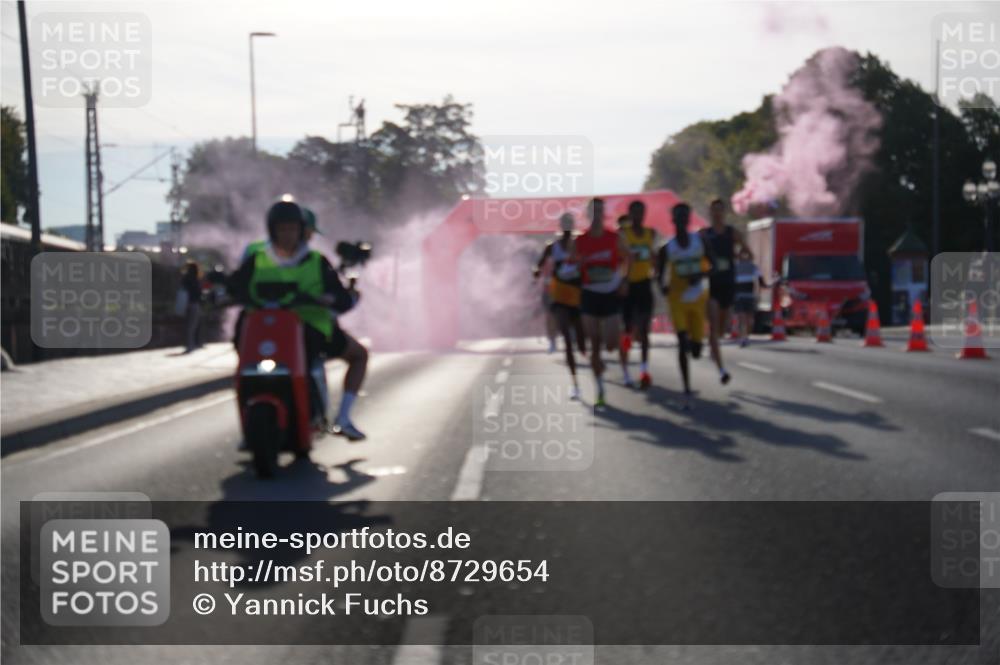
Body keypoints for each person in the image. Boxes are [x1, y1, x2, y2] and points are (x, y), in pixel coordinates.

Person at [228, 195, 369, 441]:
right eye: (282, 229)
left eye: (292, 229)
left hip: (309, 332)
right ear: (272, 231)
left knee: (359, 354)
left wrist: (330, 299)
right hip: (262, 335)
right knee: (243, 369)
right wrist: (219, 292)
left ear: (301, 231)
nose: (287, 235)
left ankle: (342, 417)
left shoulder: (317, 262)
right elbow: (234, 286)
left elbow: (342, 299)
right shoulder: (256, 260)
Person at [572, 198, 630, 407]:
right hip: (589, 294)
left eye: (600, 211)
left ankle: (606, 361)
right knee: (594, 344)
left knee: (611, 344)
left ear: (604, 214)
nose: (597, 215)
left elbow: (628, 257)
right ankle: (600, 389)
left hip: (610, 293)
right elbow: (571, 266)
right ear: (588, 215)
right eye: (593, 211)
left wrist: (623, 280)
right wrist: (577, 266)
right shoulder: (580, 241)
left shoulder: (614, 237)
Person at [657, 203, 713, 411]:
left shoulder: (700, 241)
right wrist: (662, 286)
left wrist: (701, 274)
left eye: (684, 216)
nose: (681, 220)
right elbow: (658, 274)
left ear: (688, 219)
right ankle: (687, 388)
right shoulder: (667, 248)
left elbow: (714, 265)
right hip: (677, 300)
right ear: (673, 220)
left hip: (698, 299)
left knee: (696, 351)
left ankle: (694, 344)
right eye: (678, 216)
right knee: (681, 342)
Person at [534, 212, 587, 399]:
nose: (567, 226)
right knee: (567, 340)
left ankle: (587, 353)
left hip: (578, 295)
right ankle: (575, 384)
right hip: (560, 296)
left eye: (569, 223)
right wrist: (536, 274)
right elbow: (539, 265)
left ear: (573, 225)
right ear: (560, 225)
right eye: (564, 223)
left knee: (581, 340)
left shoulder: (580, 244)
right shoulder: (552, 247)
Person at [701, 198, 746, 385]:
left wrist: (740, 255)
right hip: (711, 285)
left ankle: (714, 346)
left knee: (722, 328)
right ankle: (721, 370)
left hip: (728, 283)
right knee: (713, 326)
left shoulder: (732, 233)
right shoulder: (704, 234)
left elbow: (747, 252)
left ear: (724, 212)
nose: (717, 213)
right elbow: (696, 255)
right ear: (710, 212)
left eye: (720, 209)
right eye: (714, 210)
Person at [620, 200, 657, 389]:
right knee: (627, 331)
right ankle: (626, 371)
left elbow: (653, 256)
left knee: (644, 330)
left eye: (641, 212)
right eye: (634, 212)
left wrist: (656, 270)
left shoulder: (651, 233)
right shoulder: (623, 234)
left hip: (644, 284)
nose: (638, 216)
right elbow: (618, 257)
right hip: (628, 286)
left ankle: (644, 370)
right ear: (630, 214)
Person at [733, 247, 769, 347]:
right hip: (739, 297)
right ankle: (742, 338)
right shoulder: (735, 267)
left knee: (749, 320)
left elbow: (761, 282)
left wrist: (770, 284)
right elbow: (730, 283)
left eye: (746, 254)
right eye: (742, 254)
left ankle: (746, 337)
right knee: (741, 319)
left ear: (750, 256)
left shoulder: (753, 267)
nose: (744, 257)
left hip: (749, 297)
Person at [181, 260, 203, 353]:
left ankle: (190, 345)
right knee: (193, 326)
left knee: (189, 326)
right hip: (195, 304)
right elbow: (199, 293)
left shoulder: (186, 278)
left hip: (188, 304)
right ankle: (194, 344)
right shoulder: (197, 280)